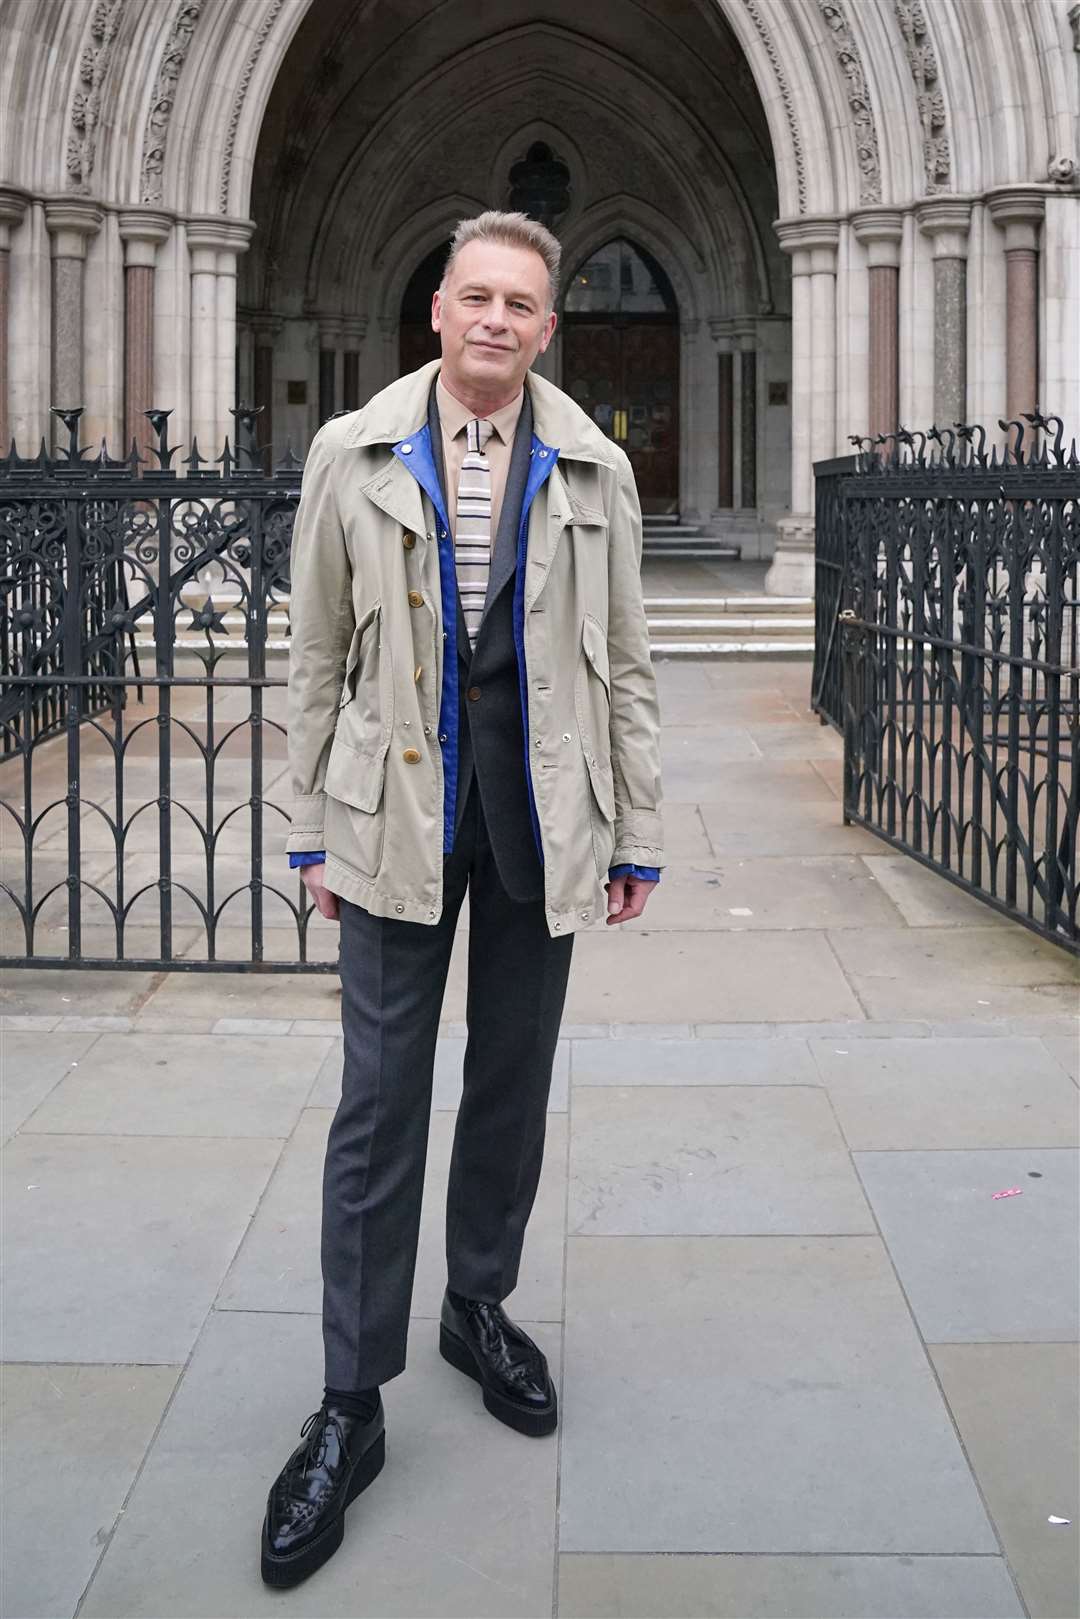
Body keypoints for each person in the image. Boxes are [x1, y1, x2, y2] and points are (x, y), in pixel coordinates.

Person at [261, 210, 664, 1586]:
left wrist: (637, 832)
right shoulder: (352, 451)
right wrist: (308, 825)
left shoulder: (595, 466)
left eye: (522, 304)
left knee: (509, 1080)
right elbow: (312, 650)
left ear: (548, 328)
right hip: (391, 819)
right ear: (437, 309)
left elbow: (626, 665)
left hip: (541, 818)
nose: (496, 320)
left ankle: (476, 1306)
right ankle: (351, 1397)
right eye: (476, 297)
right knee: (380, 1103)